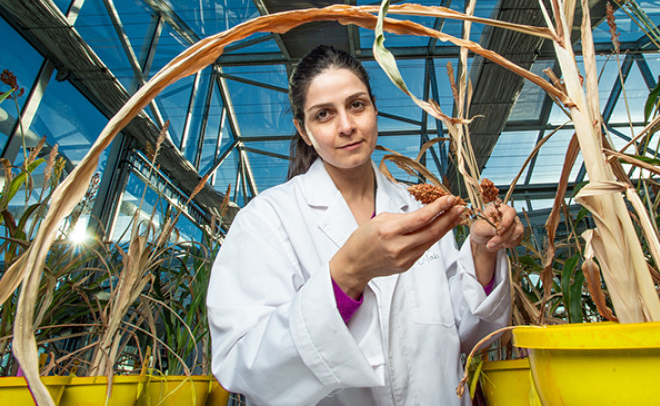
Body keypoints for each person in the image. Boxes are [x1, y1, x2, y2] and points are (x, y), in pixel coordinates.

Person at [207, 45, 523, 405]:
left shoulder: (419, 208)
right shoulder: (266, 220)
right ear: (304, 130)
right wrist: (346, 276)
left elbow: (465, 333)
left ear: (374, 107)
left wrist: (482, 250)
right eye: (324, 114)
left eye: (356, 105)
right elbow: (243, 364)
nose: (347, 126)